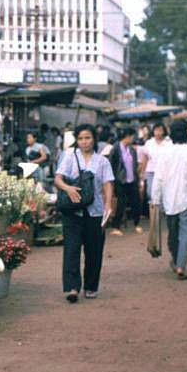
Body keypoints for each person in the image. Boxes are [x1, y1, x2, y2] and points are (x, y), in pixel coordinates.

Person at [53, 124, 115, 302]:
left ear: (94, 139)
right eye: (80, 138)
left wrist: (108, 205)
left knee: (94, 251)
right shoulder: (69, 157)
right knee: (71, 249)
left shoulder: (102, 161)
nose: (84, 141)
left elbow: (108, 184)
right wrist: (68, 188)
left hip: (95, 212)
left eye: (87, 138)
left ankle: (91, 286)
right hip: (72, 211)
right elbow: (58, 178)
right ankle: (72, 287)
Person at [151, 122, 187, 280]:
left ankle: (176, 261)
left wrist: (155, 198)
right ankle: (181, 266)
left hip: (169, 200)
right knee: (186, 234)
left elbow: (158, 177)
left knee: (173, 233)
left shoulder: (164, 151)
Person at [108, 127, 142, 235]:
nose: (133, 139)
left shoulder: (132, 149)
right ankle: (116, 226)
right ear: (127, 137)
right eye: (132, 137)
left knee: (136, 202)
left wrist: (138, 178)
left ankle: (137, 224)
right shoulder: (115, 148)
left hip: (132, 179)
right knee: (120, 203)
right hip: (120, 180)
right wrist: (112, 180)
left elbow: (135, 164)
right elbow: (111, 164)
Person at [140, 122, 171, 205]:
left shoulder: (169, 142)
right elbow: (145, 158)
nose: (158, 132)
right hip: (151, 171)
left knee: (164, 192)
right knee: (150, 193)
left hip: (165, 171)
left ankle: (163, 210)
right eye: (156, 130)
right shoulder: (149, 143)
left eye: (160, 130)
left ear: (164, 131)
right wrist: (142, 174)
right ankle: (156, 210)